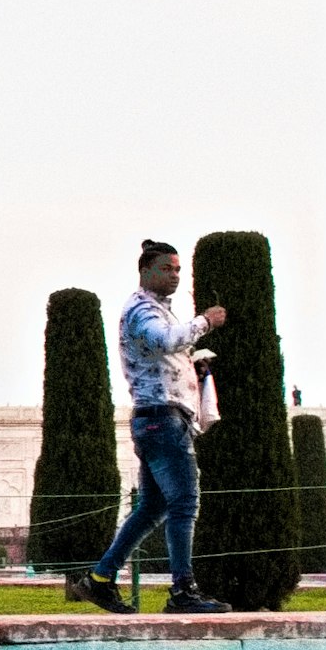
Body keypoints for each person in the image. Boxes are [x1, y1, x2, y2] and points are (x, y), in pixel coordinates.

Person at [76, 241, 231, 616]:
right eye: (167, 268)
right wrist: (205, 322)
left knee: (153, 507)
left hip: (158, 420)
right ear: (145, 271)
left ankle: (100, 580)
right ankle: (183, 591)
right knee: (184, 503)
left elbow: (166, 354)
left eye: (178, 269)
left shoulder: (158, 311)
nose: (174, 275)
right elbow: (162, 341)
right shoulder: (143, 310)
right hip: (162, 421)